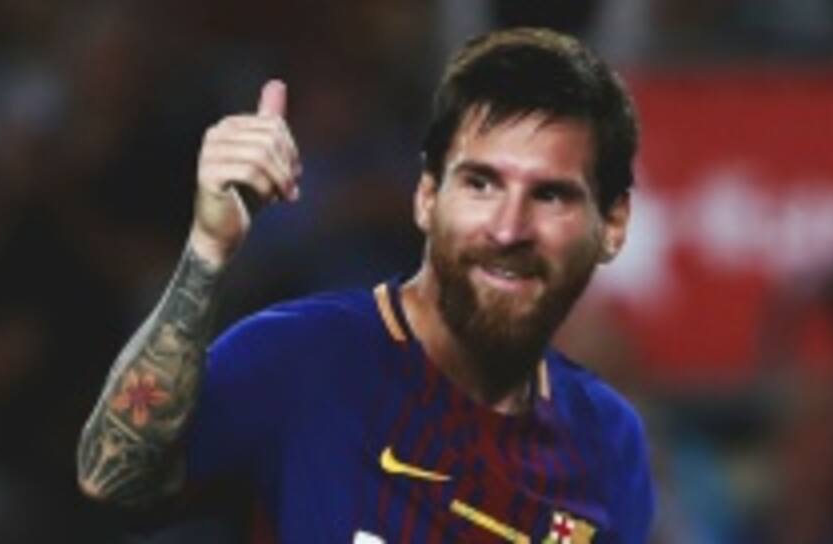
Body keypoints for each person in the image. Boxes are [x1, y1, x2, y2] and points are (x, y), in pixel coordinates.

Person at [76, 27, 653, 543]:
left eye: (550, 195)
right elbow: (114, 477)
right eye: (480, 184)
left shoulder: (608, 443)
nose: (508, 229)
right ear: (426, 197)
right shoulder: (304, 356)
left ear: (613, 224)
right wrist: (206, 249)